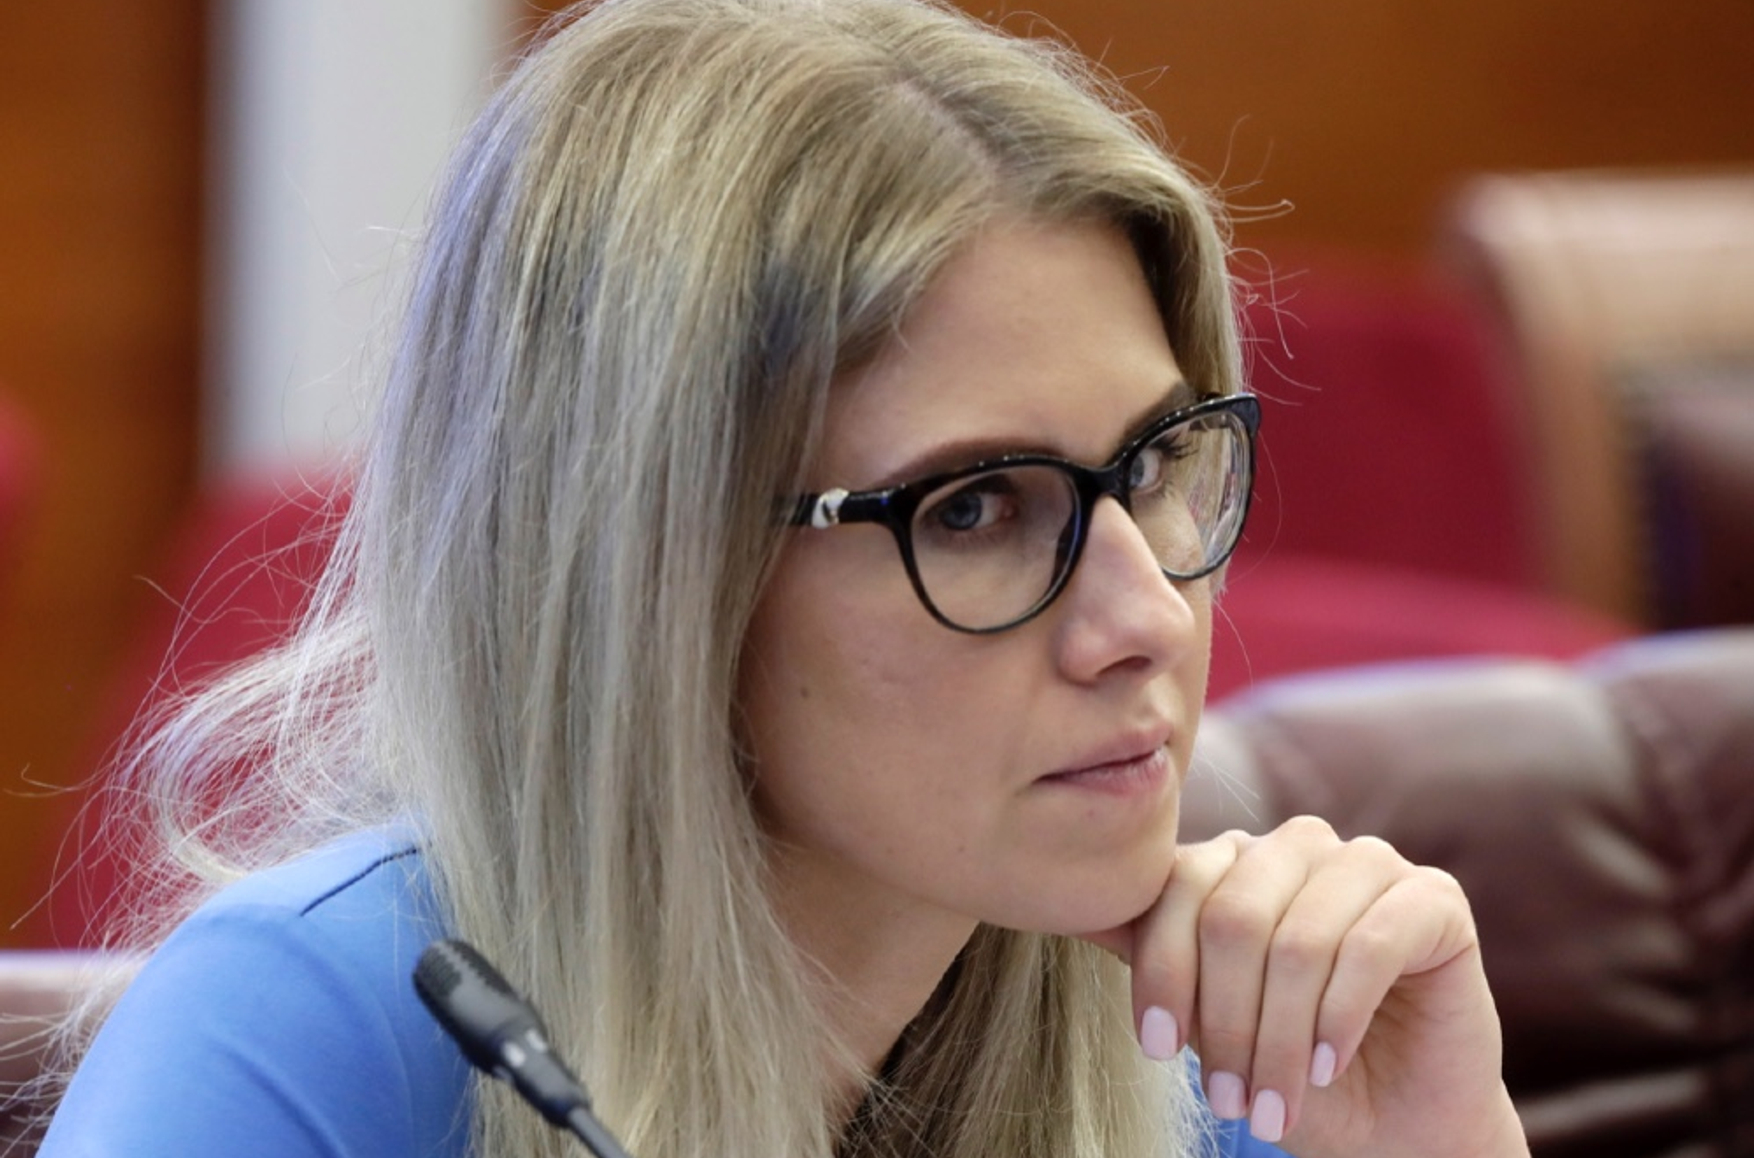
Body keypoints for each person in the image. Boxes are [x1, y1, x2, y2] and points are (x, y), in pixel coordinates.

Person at [37, 0, 1530, 1155]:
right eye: (974, 509)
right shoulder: (304, 1036)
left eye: (1148, 466)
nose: (1144, 616)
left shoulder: (1206, 1053)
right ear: (656, 576)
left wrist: (1440, 1142)